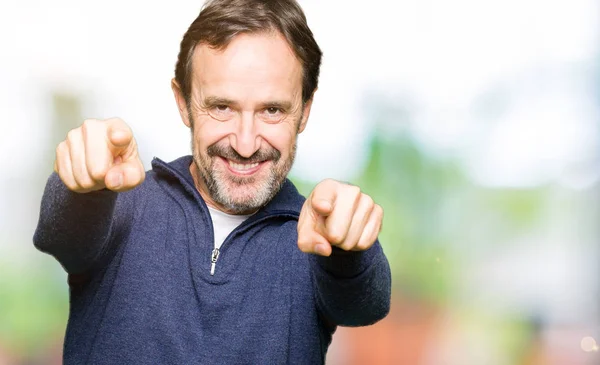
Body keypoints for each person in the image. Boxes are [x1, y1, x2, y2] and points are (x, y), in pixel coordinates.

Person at [33, 0, 391, 364]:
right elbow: (60, 233)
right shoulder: (119, 205)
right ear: (184, 102)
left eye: (272, 110)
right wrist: (82, 185)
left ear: (304, 111)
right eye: (221, 107)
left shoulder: (316, 238)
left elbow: (365, 304)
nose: (245, 143)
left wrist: (350, 248)